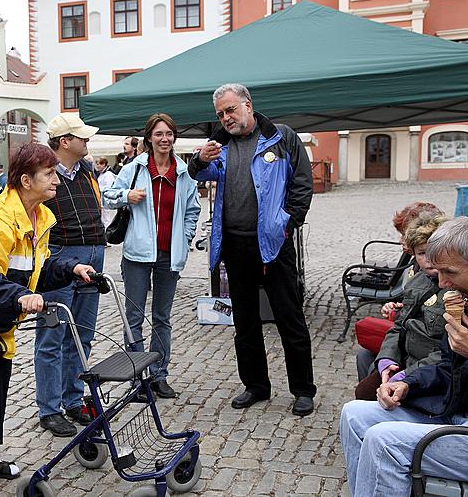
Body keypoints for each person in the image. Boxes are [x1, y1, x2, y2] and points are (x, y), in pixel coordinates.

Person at [0, 143, 94, 497]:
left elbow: (34, 270)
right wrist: (19, 296)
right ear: (26, 180)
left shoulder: (38, 217)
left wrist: (70, 268)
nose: (57, 180)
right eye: (49, 174)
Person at [188, 83, 316, 416]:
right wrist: (199, 159)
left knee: (290, 318)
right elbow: (200, 173)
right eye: (220, 114)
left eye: (230, 110)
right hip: (234, 244)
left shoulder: (281, 137)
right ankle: (256, 386)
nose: (226, 118)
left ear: (248, 105)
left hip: (273, 244)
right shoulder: (220, 145)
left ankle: (303, 390)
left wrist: (287, 222)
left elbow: (302, 183)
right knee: (245, 322)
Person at [339, 216, 468, 497]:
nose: (442, 282)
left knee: (384, 441)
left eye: (450, 272)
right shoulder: (462, 301)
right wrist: (408, 382)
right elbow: (446, 366)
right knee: (354, 414)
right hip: (452, 409)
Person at [103, 113, 201, 397]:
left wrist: (185, 237)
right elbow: (107, 195)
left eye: (169, 134)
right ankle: (137, 379)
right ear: (149, 138)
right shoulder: (134, 168)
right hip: (137, 254)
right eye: (158, 134)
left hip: (169, 254)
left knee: (162, 317)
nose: (164, 139)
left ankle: (159, 375)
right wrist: (127, 196)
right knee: (134, 316)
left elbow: (192, 209)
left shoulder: (181, 172)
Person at [35, 113, 106, 437]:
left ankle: (73, 399)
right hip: (60, 259)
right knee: (52, 337)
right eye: (81, 137)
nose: (86, 141)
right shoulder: (45, 175)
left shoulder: (87, 170)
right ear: (65, 142)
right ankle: (50, 409)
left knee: (83, 335)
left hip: (93, 255)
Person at [354, 212, 449, 400]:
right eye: (422, 253)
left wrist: (408, 377)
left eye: (433, 251)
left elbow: (447, 353)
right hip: (406, 361)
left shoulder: (455, 290)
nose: (429, 259)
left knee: (369, 394)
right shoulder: (417, 281)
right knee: (365, 388)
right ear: (414, 254)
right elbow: (399, 325)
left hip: (429, 372)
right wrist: (388, 359)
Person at [94, 157, 117, 228]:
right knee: (104, 218)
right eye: (97, 164)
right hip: (102, 201)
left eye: (100, 164)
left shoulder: (108, 174)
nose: (98, 165)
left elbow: (109, 188)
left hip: (107, 201)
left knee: (108, 219)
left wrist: (98, 189)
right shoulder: (101, 174)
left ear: (105, 165)